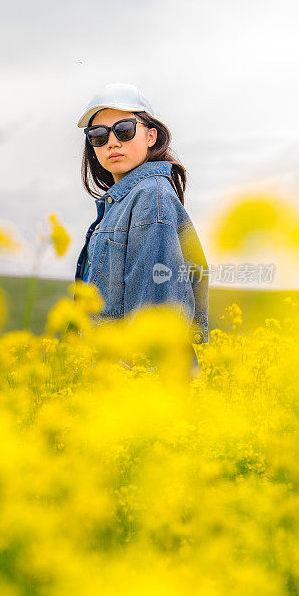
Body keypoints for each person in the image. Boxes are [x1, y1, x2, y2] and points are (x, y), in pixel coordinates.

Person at [74, 82, 209, 378]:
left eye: (123, 130)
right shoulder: (124, 201)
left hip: (143, 386)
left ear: (151, 136)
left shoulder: (151, 198)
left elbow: (156, 312)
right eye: (98, 136)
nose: (111, 142)